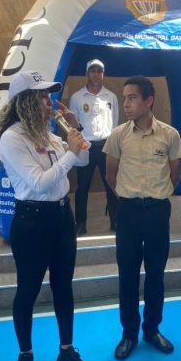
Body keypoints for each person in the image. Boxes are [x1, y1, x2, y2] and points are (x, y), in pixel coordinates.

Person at [0, 70, 90, 361]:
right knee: (28, 291)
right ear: (25, 102)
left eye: (49, 95)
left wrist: (74, 129)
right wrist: (70, 153)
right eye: (42, 96)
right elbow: (38, 182)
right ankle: (25, 356)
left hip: (61, 218)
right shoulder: (12, 138)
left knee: (63, 286)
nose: (50, 101)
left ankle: (66, 350)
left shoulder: (49, 134)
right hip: (32, 222)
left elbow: (84, 159)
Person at [104, 76, 181, 360]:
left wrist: (155, 196)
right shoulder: (118, 135)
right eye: (124, 98)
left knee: (156, 274)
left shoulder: (170, 135)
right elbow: (111, 174)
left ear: (149, 100)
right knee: (127, 275)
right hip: (127, 212)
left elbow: (175, 176)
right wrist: (129, 197)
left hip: (157, 212)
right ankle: (129, 334)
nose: (126, 104)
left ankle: (152, 330)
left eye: (132, 97)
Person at [69, 59, 119, 235]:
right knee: (82, 187)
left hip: (106, 146)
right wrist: (79, 144)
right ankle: (81, 223)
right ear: (87, 74)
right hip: (86, 146)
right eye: (93, 71)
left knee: (112, 184)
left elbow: (115, 124)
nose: (96, 74)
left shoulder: (111, 97)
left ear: (103, 74)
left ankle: (115, 221)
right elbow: (73, 124)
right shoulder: (76, 98)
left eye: (99, 71)